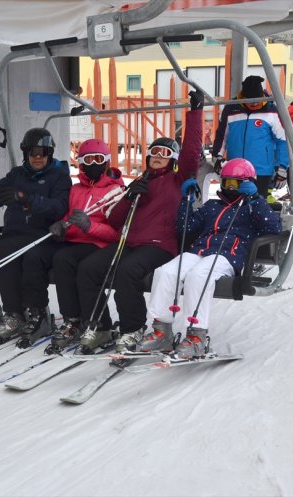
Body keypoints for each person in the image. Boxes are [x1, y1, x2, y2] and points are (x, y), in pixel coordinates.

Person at [75, 90, 204, 354]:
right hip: (131, 242)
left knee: (128, 271)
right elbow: (116, 218)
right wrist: (129, 196)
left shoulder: (178, 180)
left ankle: (132, 328)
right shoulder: (139, 182)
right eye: (154, 151)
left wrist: (195, 113)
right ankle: (100, 327)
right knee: (88, 268)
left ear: (173, 160)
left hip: (161, 245)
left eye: (165, 152)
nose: (158, 155)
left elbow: (192, 151)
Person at [139, 159, 282, 359]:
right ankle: (161, 330)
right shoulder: (212, 206)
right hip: (199, 251)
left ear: (248, 184)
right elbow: (185, 228)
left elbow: (273, 228)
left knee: (198, 276)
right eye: (226, 183)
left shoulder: (251, 207)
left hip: (227, 255)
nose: (230, 188)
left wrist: (256, 199)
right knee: (166, 272)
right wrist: (186, 201)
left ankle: (196, 336)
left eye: (236, 183)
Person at [0, 128, 71, 346]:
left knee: (5, 248)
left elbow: (59, 207)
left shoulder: (60, 176)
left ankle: (15, 313)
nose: (38, 156)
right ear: (26, 152)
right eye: (33, 152)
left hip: (42, 237)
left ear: (50, 153)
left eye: (43, 152)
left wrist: (27, 199)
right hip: (13, 234)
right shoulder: (17, 174)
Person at [24, 138, 125, 352]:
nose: (93, 164)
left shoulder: (116, 191)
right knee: (39, 255)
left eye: (98, 159)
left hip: (97, 243)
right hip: (74, 241)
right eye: (88, 160)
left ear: (106, 162)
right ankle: (57, 316)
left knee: (65, 259)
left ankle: (84, 321)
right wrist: (61, 227)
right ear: (80, 163)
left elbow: (117, 232)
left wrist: (90, 227)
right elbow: (69, 218)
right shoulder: (76, 189)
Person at [212, 75, 289, 200]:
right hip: (235, 170)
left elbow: (282, 140)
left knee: (256, 207)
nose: (254, 104)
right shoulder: (231, 109)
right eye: (250, 100)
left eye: (257, 100)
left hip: (261, 171)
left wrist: (282, 167)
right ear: (243, 97)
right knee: (233, 206)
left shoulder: (271, 110)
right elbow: (222, 135)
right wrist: (217, 156)